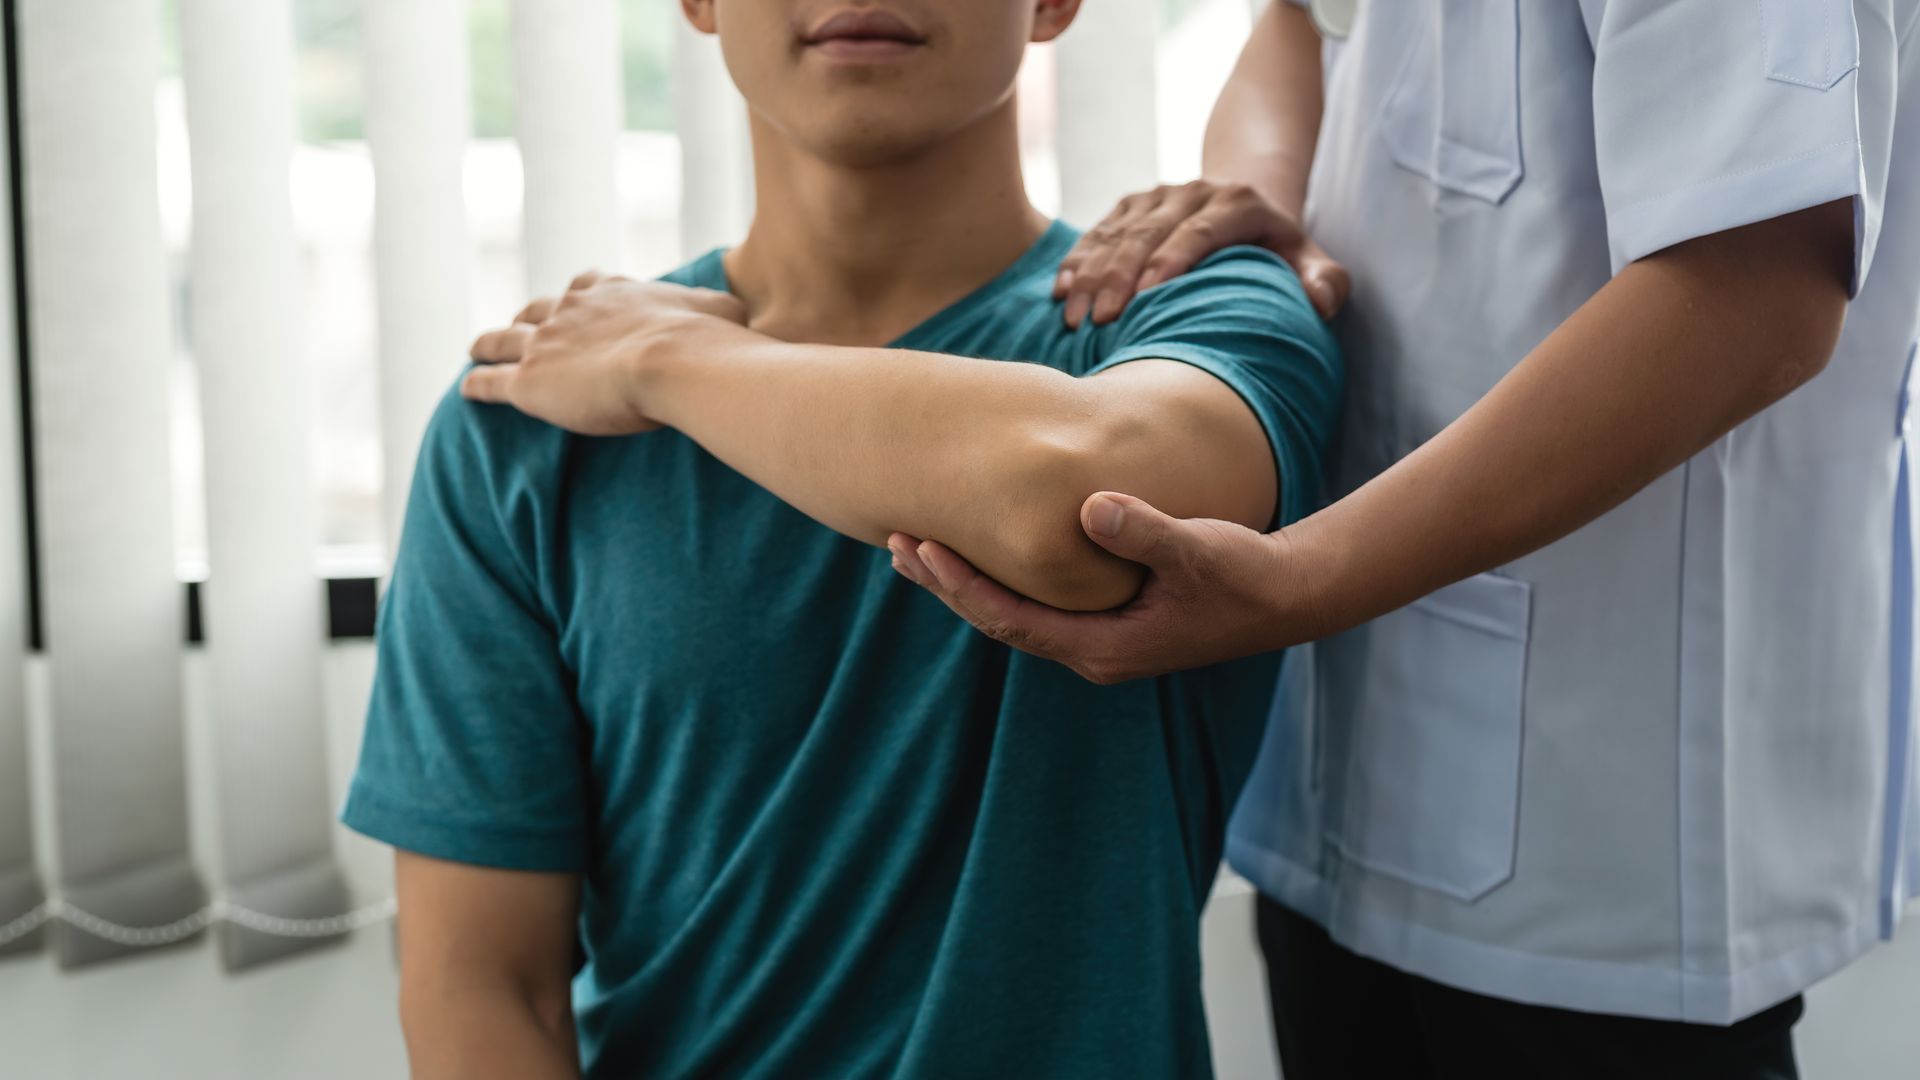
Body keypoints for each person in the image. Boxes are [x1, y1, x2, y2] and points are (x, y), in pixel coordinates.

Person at [888, 1, 1920, 1077]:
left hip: (1604, 853)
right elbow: (1298, 26)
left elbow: (1759, 290)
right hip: (1338, 786)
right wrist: (1259, 226)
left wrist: (1297, 580)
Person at [340, 0, 1341, 1076]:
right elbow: (482, 986)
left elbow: (1077, 510)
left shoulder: (1200, 308)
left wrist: (672, 367)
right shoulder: (529, 421)